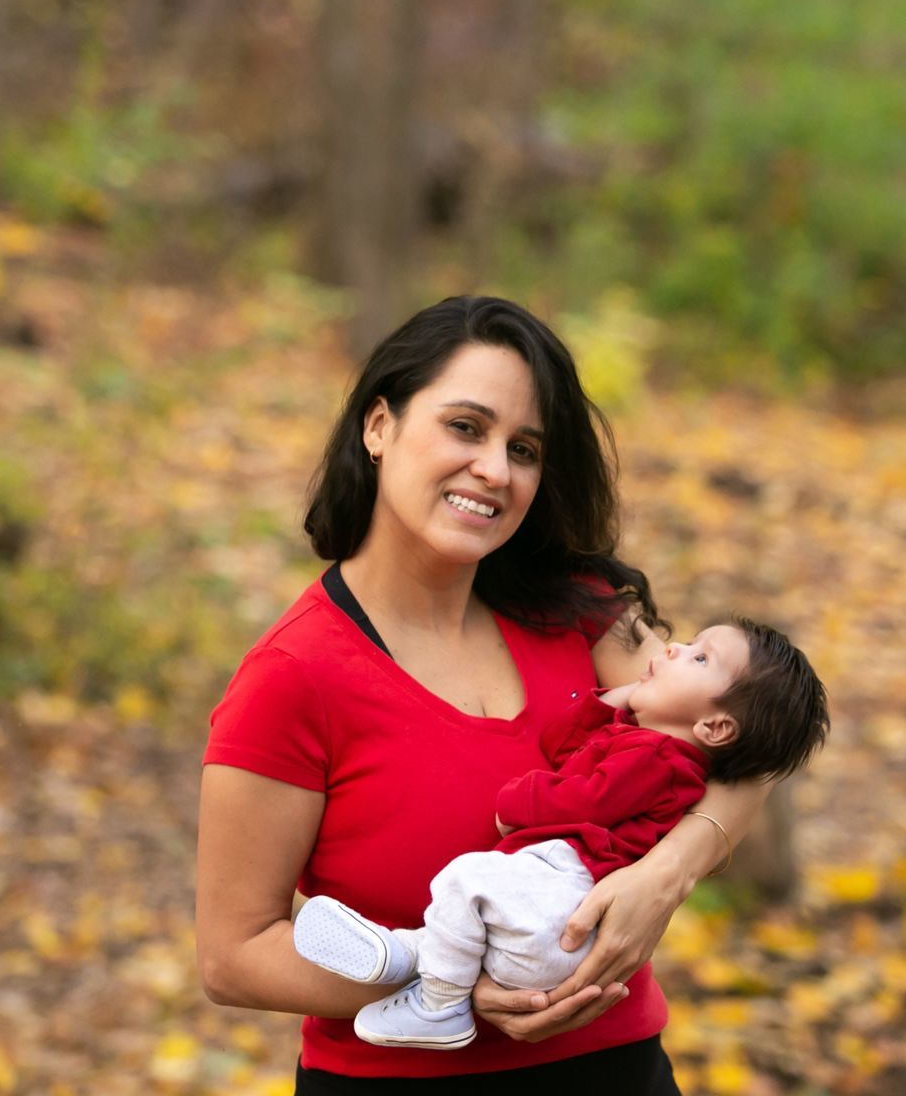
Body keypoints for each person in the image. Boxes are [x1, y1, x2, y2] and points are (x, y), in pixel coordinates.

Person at [196, 296, 790, 1090]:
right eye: (466, 428)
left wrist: (664, 879)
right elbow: (233, 957)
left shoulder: (578, 609)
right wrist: (454, 989)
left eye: (526, 448)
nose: (496, 470)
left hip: (619, 1072)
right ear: (379, 427)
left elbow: (746, 747)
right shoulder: (293, 676)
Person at [292, 617, 829, 1050]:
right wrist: (609, 703)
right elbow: (564, 749)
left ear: (715, 728)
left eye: (700, 657)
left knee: (466, 880)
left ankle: (439, 1005)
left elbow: (584, 797)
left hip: (565, 906)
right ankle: (405, 955)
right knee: (468, 905)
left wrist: (515, 807)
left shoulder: (661, 761)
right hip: (553, 911)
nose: (672, 648)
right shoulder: (640, 741)